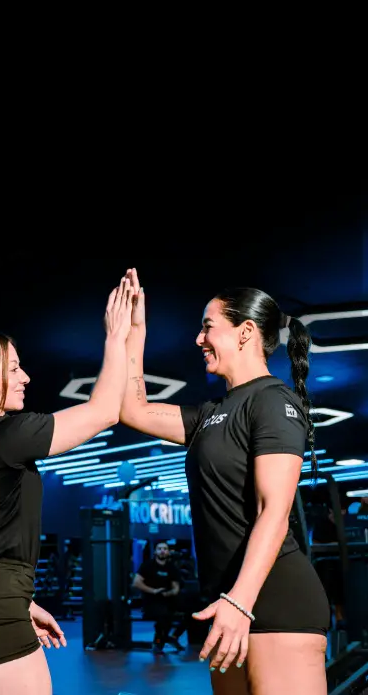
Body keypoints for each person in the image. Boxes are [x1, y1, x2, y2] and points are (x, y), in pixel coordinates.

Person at [0, 275, 134, 695]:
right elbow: (106, 411)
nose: (26, 377)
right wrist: (117, 336)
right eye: (13, 368)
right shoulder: (3, 436)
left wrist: (22, 603)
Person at [119, 269, 329, 695]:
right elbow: (132, 410)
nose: (199, 339)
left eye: (208, 327)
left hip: (272, 600)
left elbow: (274, 511)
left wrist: (240, 602)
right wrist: (134, 333)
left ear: (245, 332)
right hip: (228, 601)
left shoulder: (272, 401)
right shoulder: (210, 412)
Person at [132, 541, 184, 653]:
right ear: (155, 552)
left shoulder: (171, 568)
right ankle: (159, 642)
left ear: (168, 552)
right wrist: (154, 591)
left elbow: (175, 588)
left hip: (167, 599)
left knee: (192, 612)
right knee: (163, 616)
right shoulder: (147, 565)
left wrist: (169, 593)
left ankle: (173, 637)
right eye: (159, 549)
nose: (162, 551)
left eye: (165, 549)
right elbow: (136, 582)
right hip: (151, 600)